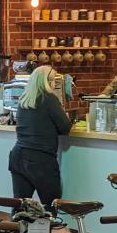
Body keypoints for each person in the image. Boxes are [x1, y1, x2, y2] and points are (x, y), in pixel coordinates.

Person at [9, 65, 71, 208]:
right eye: (54, 81)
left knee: (21, 207)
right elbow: (65, 128)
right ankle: (45, 230)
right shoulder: (49, 99)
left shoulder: (24, 99)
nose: (55, 84)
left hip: (18, 157)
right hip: (41, 160)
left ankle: (20, 230)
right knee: (50, 206)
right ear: (47, 81)